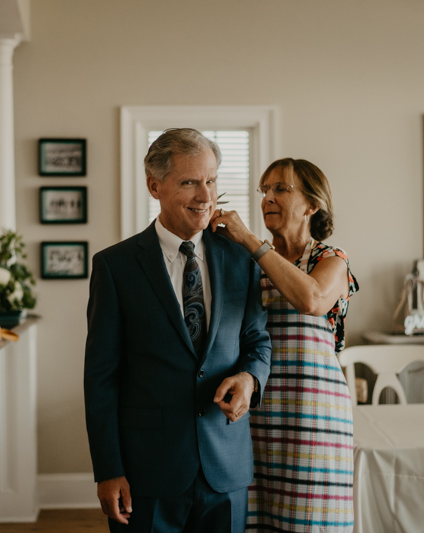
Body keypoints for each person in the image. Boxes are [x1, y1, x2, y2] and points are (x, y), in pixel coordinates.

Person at [84, 128, 272, 533]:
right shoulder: (114, 267)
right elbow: (100, 378)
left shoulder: (242, 259)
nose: (206, 196)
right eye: (190, 182)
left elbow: (258, 342)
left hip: (226, 466)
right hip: (146, 472)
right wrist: (108, 469)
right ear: (155, 186)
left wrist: (249, 379)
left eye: (211, 180)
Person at [211, 158, 359, 532]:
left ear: (312, 205)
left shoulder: (331, 260)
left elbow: (310, 300)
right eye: (264, 190)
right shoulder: (248, 265)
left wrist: (248, 239)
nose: (268, 198)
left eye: (281, 188)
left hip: (314, 421)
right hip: (254, 416)